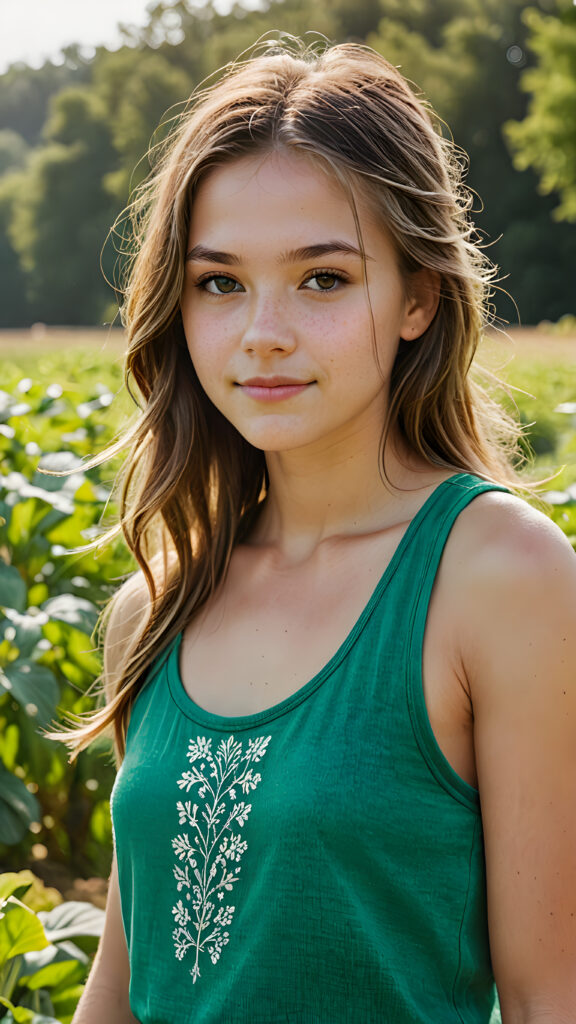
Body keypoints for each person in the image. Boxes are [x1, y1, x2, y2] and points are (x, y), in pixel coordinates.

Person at [65, 37, 576, 1024]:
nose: (263, 331)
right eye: (220, 282)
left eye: (323, 279)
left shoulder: (504, 579)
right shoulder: (157, 604)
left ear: (419, 296)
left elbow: (555, 995)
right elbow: (121, 991)